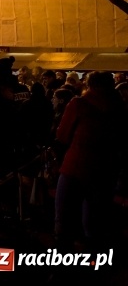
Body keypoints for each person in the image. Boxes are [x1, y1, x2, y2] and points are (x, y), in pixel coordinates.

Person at [53, 71, 127, 253]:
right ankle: (96, 258)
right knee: (95, 221)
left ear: (89, 84)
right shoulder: (120, 109)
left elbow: (62, 136)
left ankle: (63, 258)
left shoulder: (79, 104)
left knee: (64, 217)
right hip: (106, 170)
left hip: (75, 167)